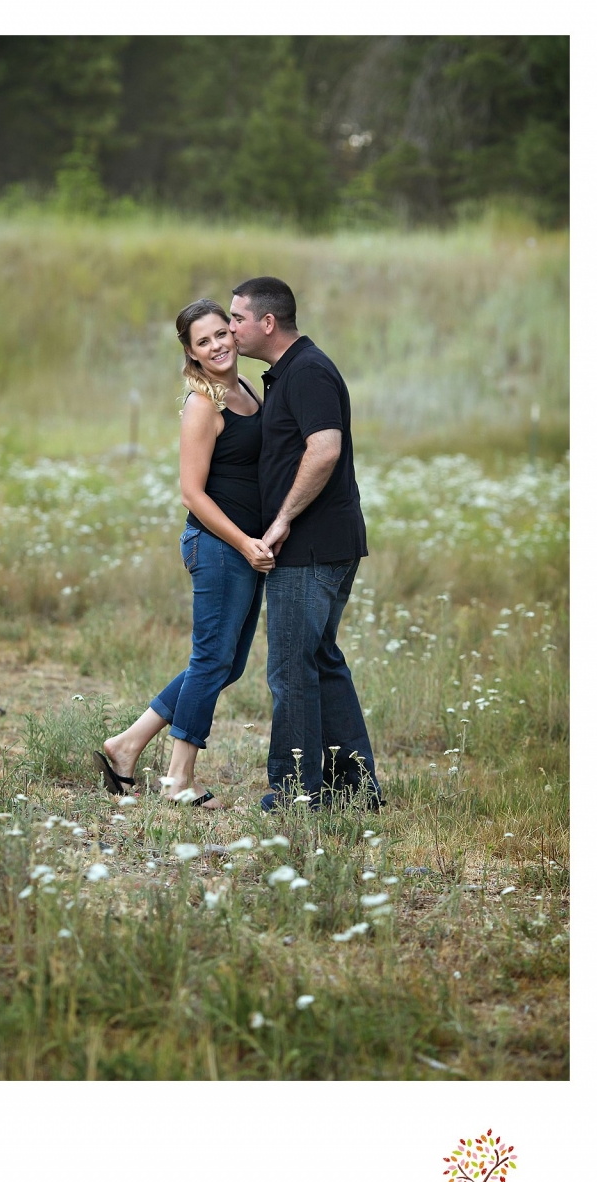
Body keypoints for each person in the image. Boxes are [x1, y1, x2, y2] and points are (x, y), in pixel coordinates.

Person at [93, 298, 274, 809]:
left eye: (222, 333)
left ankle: (126, 745)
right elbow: (192, 493)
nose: (217, 345)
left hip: (246, 548)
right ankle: (178, 781)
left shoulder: (245, 392)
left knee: (224, 664)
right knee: (211, 659)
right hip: (219, 546)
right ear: (191, 354)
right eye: (204, 341)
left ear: (235, 335)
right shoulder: (203, 404)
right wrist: (244, 542)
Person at [228, 276, 382, 810]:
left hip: (312, 548)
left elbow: (324, 449)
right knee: (319, 659)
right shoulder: (287, 371)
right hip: (325, 545)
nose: (230, 329)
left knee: (291, 670)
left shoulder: (309, 371)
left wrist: (283, 519)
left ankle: (294, 793)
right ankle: (355, 790)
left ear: (267, 323)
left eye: (237, 319)